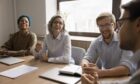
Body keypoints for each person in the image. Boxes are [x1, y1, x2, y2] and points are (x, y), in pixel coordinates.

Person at [81, 0, 140, 84]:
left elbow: (127, 68)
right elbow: (87, 58)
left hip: (121, 78)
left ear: (114, 25)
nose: (104, 28)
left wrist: (100, 72)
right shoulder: (97, 41)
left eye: (122, 23)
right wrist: (86, 67)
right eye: (101, 26)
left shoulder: (125, 44)